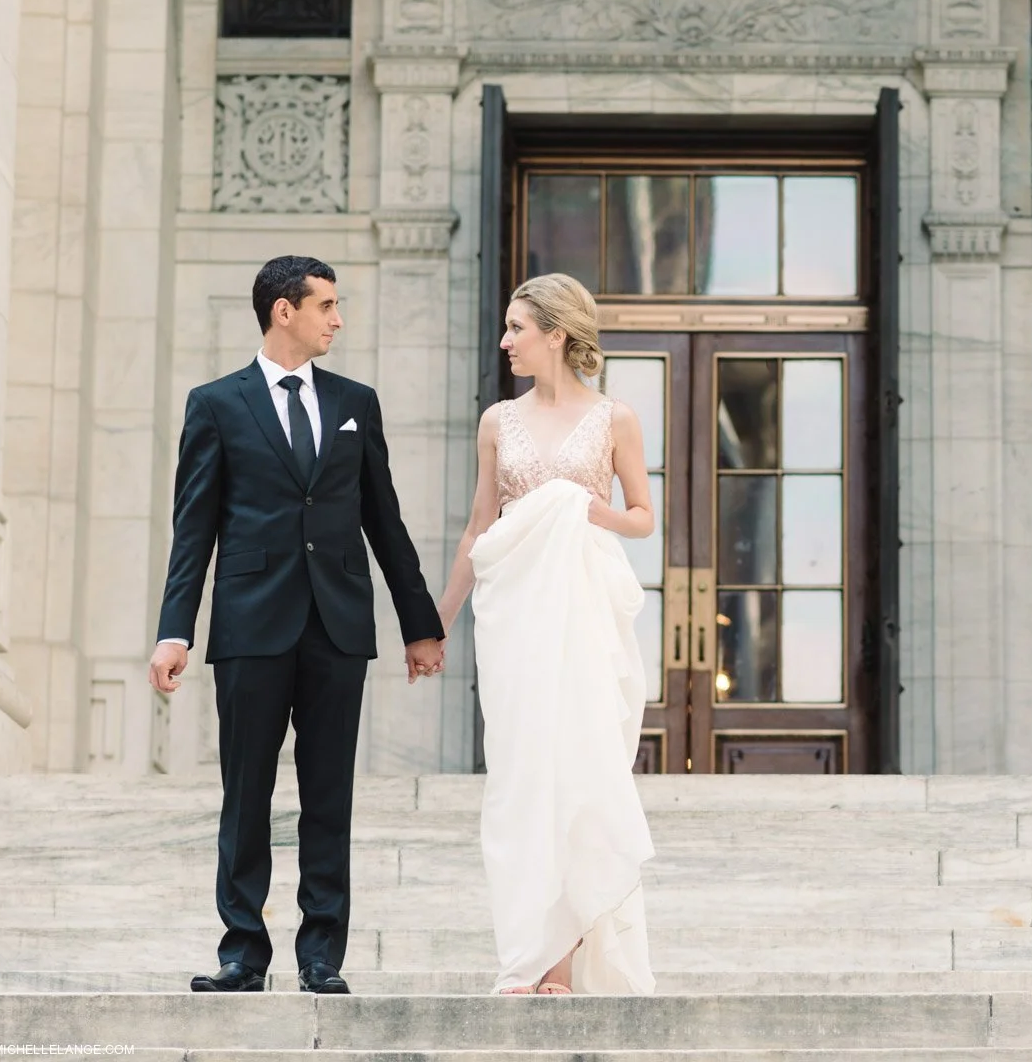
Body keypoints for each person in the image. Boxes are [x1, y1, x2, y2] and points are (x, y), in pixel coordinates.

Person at [148, 255, 446, 996]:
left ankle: (322, 954)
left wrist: (421, 624)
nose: (337, 321)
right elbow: (194, 530)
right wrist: (174, 628)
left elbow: (385, 518)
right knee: (245, 793)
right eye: (327, 307)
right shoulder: (215, 404)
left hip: (337, 626)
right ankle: (243, 952)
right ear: (285, 311)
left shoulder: (355, 402)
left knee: (328, 794)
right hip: (251, 624)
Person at [435, 273, 657, 996]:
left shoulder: (615, 419)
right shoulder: (498, 421)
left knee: (580, 777)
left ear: (556, 334)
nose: (505, 342)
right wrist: (436, 621)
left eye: (516, 329)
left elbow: (643, 518)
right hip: (516, 617)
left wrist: (582, 508)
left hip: (584, 612)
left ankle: (563, 961)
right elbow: (478, 526)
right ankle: (533, 953)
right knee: (524, 782)